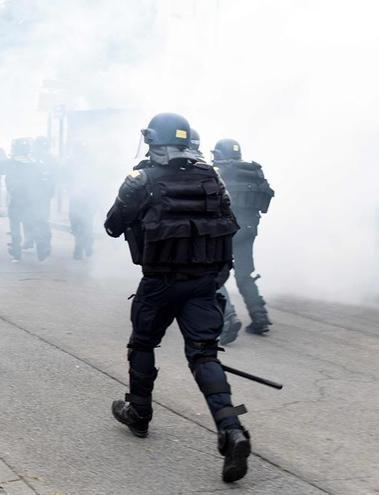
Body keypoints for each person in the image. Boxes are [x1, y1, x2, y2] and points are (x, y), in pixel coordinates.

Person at [105, 113, 251, 483]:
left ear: (154, 141)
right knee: (204, 354)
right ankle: (231, 429)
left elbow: (112, 225)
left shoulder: (142, 179)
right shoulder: (212, 178)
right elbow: (228, 227)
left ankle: (139, 413)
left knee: (142, 343)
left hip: (160, 281)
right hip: (203, 282)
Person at [212, 138, 275, 337]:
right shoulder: (254, 171)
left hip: (226, 231)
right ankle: (260, 318)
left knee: (213, 275)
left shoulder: (218, 173)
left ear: (220, 154)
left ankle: (228, 318)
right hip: (249, 229)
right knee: (244, 275)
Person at [189, 129, 242, 344]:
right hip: (214, 231)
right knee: (210, 277)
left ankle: (225, 318)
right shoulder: (208, 169)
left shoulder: (187, 168)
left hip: (193, 234)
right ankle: (226, 316)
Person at [64, 140, 98, 259]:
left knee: (85, 223)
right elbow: (65, 178)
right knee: (78, 223)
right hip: (76, 198)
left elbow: (98, 179)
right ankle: (82, 245)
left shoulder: (92, 163)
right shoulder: (70, 163)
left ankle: (84, 246)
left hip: (88, 198)